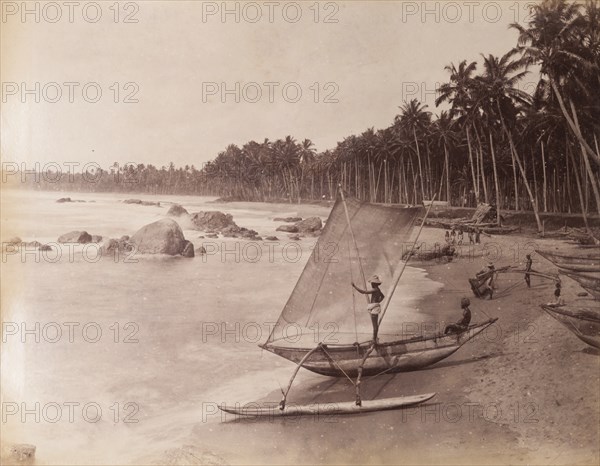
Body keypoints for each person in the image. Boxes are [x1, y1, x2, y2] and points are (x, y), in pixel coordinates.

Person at [352, 275, 384, 343]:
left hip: (374, 308)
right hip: (375, 307)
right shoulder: (378, 289)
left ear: (374, 284)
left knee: (375, 325)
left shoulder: (375, 289)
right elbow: (383, 296)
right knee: (375, 325)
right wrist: (377, 302)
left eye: (372, 283)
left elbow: (363, 292)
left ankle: (374, 340)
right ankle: (374, 338)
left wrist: (354, 286)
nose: (371, 284)